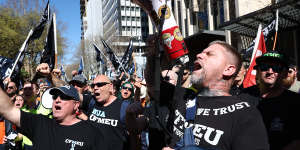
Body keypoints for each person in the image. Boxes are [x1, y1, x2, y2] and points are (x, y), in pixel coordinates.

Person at [143, 40, 269, 150]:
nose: (198, 55)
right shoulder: (182, 96)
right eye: (202, 52)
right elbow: (154, 84)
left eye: (209, 54)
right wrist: (153, 53)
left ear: (228, 69)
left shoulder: (245, 113)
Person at [0, 85, 107, 150]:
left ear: (76, 105)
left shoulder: (91, 132)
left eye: (64, 97)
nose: (57, 100)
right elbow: (8, 110)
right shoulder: (40, 123)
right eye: (55, 97)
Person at [242, 51, 300, 150]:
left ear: (285, 73)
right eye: (264, 67)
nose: (270, 71)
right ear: (258, 71)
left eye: (276, 68)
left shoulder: (296, 102)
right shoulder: (242, 97)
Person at [81, 75, 129, 150]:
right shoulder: (92, 101)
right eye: (93, 85)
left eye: (99, 85)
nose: (95, 88)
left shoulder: (124, 107)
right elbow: (71, 95)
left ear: (110, 87)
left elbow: (135, 136)